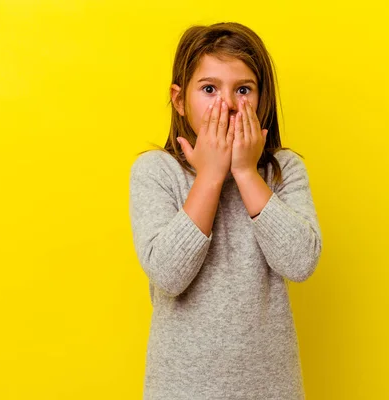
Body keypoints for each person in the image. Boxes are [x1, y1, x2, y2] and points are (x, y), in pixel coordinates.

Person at [129, 21, 323, 399]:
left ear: (262, 100)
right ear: (180, 99)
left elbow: (301, 262)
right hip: (181, 389)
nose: (229, 104)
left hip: (271, 389)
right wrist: (210, 177)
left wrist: (246, 172)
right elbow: (168, 274)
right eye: (209, 89)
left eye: (244, 90)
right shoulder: (156, 171)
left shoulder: (283, 169)